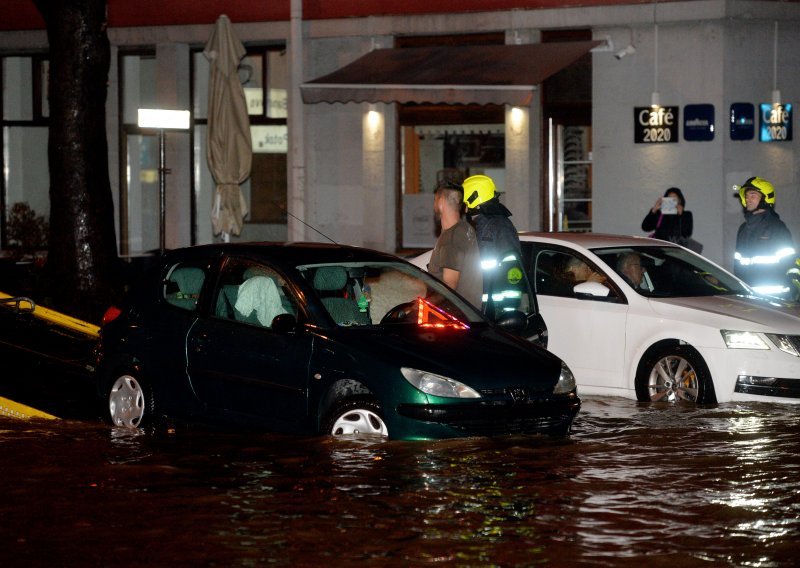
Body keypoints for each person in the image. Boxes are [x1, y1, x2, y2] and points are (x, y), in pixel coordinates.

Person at [462, 174, 525, 318]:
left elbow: (512, 271)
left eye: (466, 202)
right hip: (483, 309)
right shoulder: (484, 226)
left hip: (496, 312)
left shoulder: (498, 226)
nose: (465, 208)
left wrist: (507, 313)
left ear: (474, 199)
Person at [734, 177, 799, 299]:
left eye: (753, 195)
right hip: (749, 299)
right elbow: (738, 267)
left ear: (765, 198)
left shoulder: (777, 228)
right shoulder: (743, 229)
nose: (748, 199)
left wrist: (792, 292)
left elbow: (790, 264)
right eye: (747, 196)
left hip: (776, 299)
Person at [427, 181, 483, 308]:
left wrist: (421, 305)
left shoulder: (451, 238)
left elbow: (449, 285)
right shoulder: (465, 228)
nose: (434, 205)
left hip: (454, 317)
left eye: (435, 200)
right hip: (469, 314)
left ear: (441, 203)